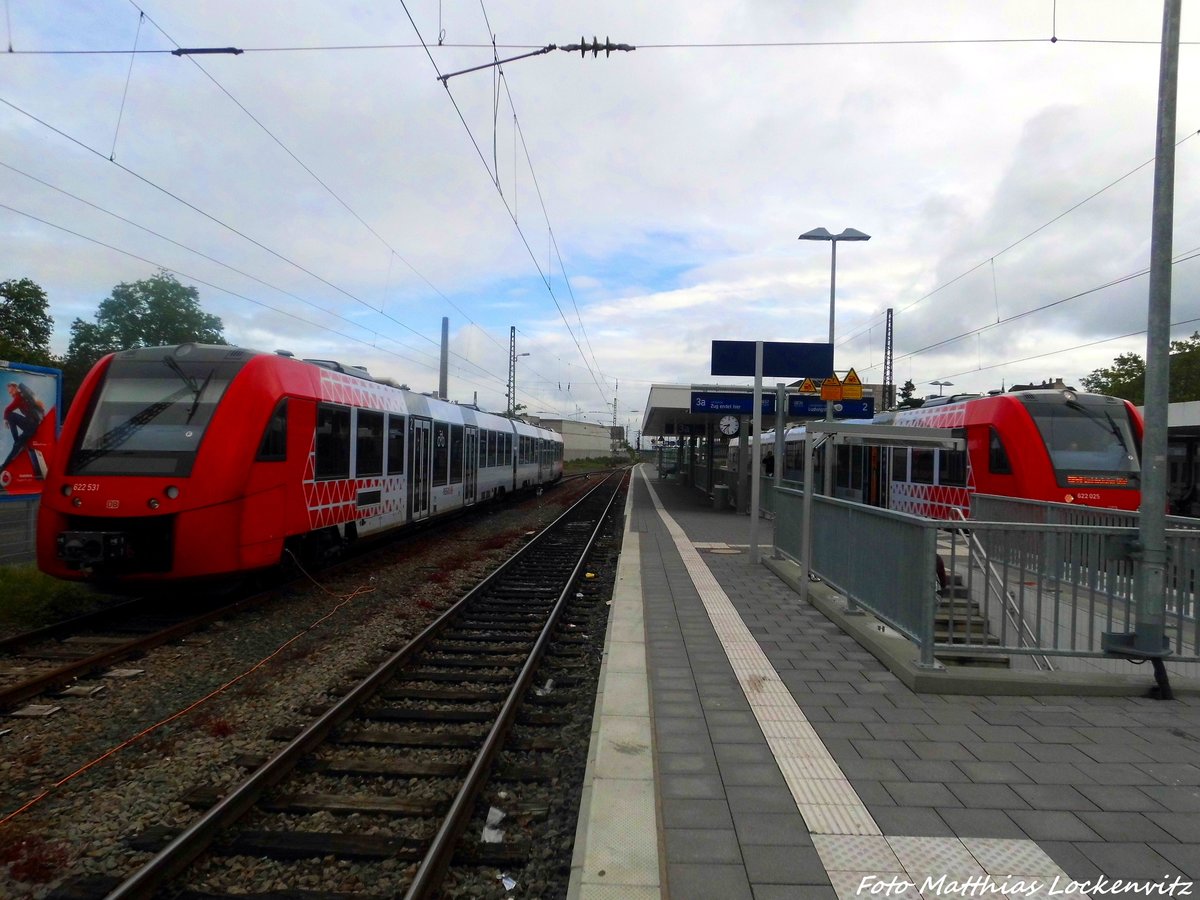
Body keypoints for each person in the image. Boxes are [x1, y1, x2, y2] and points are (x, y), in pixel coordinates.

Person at [1, 381, 46, 474]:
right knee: (17, 446)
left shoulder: (19, 397)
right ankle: (17, 443)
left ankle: (3, 467)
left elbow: (8, 409)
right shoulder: (23, 396)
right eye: (9, 392)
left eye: (11, 391)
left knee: (10, 416)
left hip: (30, 425)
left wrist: (5, 419)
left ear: (15, 388)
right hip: (31, 424)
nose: (10, 393)